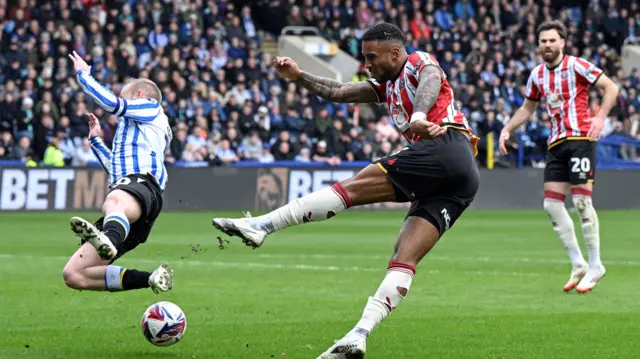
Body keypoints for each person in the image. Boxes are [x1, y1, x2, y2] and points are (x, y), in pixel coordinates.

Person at [212, 23, 480, 359]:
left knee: (353, 187)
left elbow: (430, 81)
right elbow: (338, 91)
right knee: (403, 257)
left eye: (372, 57)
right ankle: (359, 334)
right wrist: (299, 76)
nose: (366, 64)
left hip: (446, 146)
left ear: (394, 52)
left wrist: (420, 116)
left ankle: (262, 225)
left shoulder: (417, 62)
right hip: (462, 178)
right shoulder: (388, 85)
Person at [499, 21, 619, 294]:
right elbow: (527, 108)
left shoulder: (577, 65)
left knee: (580, 200)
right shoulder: (537, 75)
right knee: (552, 206)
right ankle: (578, 263)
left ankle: (596, 264)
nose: (548, 45)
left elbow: (611, 87)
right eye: (543, 41)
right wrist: (507, 128)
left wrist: (600, 117)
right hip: (556, 144)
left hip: (580, 139)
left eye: (552, 40)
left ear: (562, 42)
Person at [62, 51, 174, 295]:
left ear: (139, 95)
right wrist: (96, 142)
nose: (123, 100)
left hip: (142, 187)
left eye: (126, 95)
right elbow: (117, 172)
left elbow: (113, 104)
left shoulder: (151, 108)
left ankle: (109, 240)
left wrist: (84, 75)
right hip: (133, 198)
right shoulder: (138, 132)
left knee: (112, 200)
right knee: (74, 274)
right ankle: (151, 279)